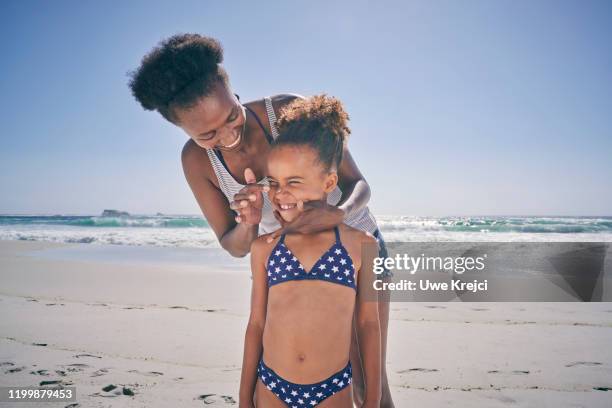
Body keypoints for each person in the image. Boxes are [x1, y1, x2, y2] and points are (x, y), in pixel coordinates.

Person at [128, 34, 394, 407]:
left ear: (233, 91)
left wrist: (337, 213)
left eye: (232, 117)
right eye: (208, 134)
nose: (229, 136)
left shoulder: (287, 111)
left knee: (366, 379)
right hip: (290, 265)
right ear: (183, 130)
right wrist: (250, 222)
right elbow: (232, 243)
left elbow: (359, 185)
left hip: (357, 251)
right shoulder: (196, 162)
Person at [239, 95, 380, 407]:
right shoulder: (264, 248)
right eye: (273, 182)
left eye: (294, 182)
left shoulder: (361, 245)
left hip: (333, 390)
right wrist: (243, 398)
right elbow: (256, 324)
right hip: (272, 386)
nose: (280, 193)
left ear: (329, 182)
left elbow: (368, 325)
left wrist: (373, 399)